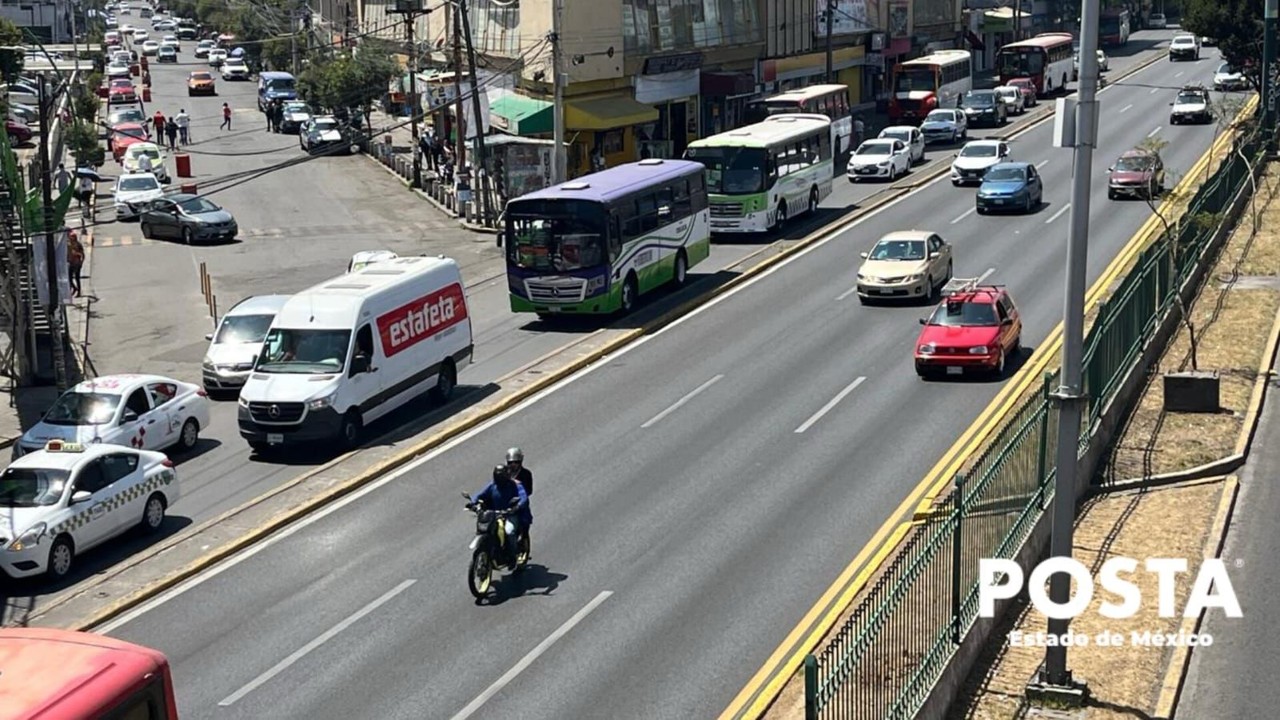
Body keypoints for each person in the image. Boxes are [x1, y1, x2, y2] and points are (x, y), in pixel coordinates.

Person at [468, 464, 531, 567]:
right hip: (494, 514)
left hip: (510, 514)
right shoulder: (492, 486)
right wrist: (473, 503)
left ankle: (512, 555)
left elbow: (523, 497)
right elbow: (480, 494)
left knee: (509, 531)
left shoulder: (515, 485)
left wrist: (516, 507)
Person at [67, 230, 85, 298]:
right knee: (69, 278)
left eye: (72, 237)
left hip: (77, 263)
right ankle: (74, 288)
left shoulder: (78, 244)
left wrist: (81, 262)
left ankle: (79, 292)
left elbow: (82, 254)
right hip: (71, 263)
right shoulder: (69, 245)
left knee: (77, 278)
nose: (71, 239)